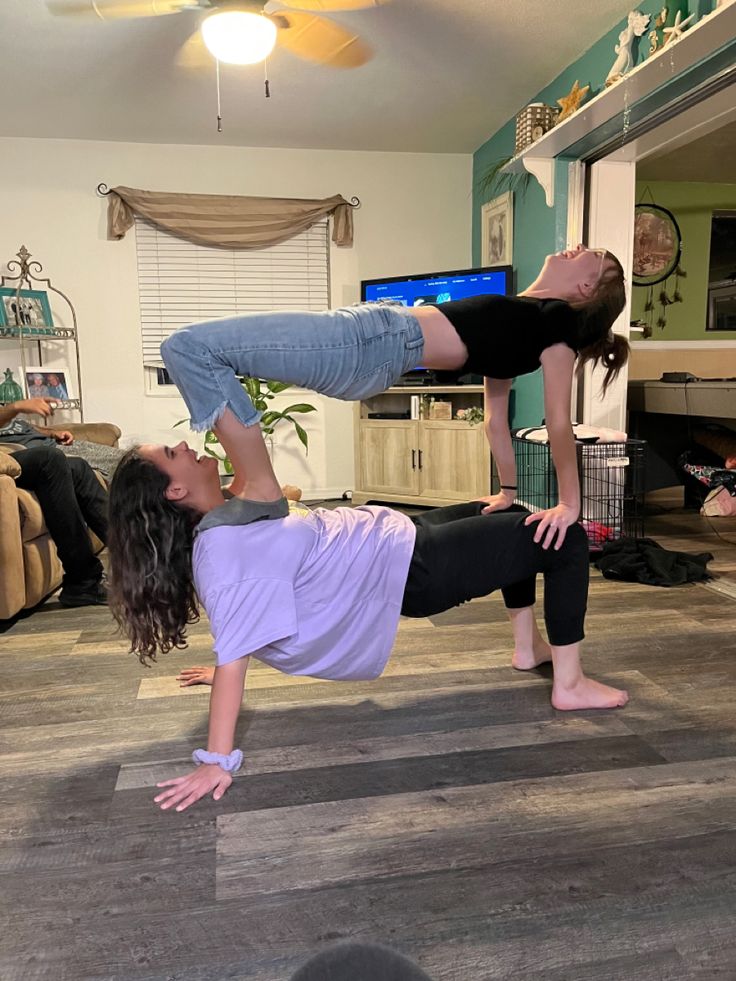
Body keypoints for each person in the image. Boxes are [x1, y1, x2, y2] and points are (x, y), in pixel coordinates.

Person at [106, 410, 629, 813]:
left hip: (396, 536)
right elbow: (239, 641)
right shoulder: (223, 552)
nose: (186, 445)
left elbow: (260, 602)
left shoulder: (230, 505)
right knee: (564, 538)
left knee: (513, 513)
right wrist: (217, 758)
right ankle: (570, 684)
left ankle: (527, 649)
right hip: (410, 569)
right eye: (175, 452)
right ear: (175, 490)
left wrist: (226, 662)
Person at [160, 244, 628, 550]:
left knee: (187, 346)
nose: (579, 248)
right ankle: (254, 484)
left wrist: (571, 504)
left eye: (594, 255)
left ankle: (258, 486)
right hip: (369, 339)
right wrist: (509, 491)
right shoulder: (526, 319)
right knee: (202, 352)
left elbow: (559, 422)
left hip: (368, 341)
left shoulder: (556, 327)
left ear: (587, 287)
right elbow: (493, 421)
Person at [0, 397, 108, 608]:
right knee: (49, 459)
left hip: (11, 452)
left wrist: (50, 433)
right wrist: (16, 407)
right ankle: (82, 581)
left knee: (77, 466)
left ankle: (141, 560)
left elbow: (13, 426)